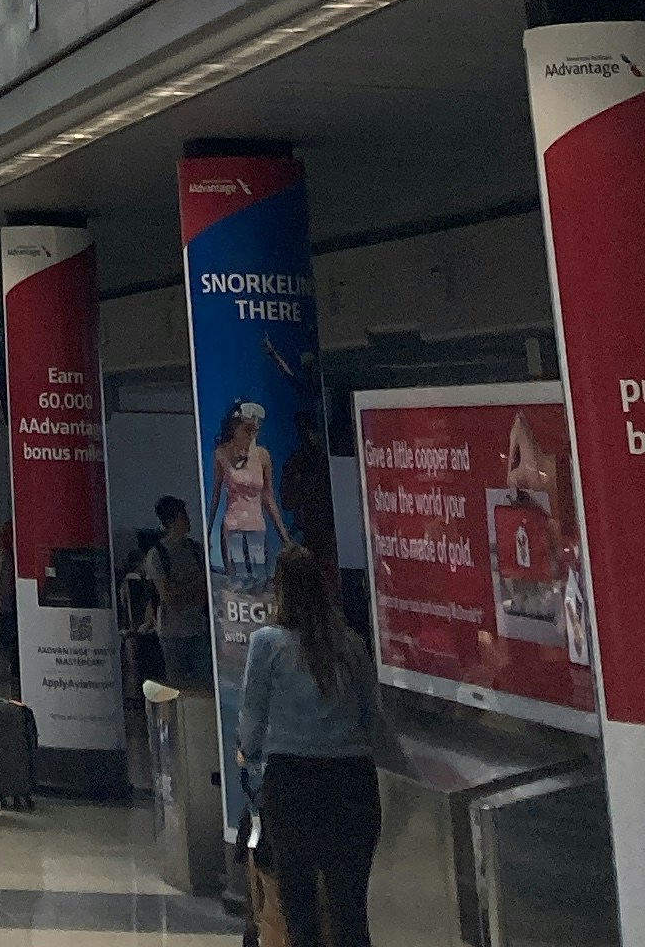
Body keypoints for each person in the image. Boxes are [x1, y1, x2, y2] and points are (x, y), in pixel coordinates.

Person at [235, 543, 393, 947]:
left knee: (300, 909)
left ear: (279, 589)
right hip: (353, 784)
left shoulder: (267, 644)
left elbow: (252, 720)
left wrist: (251, 762)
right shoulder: (351, 644)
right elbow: (371, 718)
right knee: (350, 909)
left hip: (293, 784)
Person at [211, 402, 286, 597]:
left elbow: (268, 496)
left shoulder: (262, 456)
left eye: (254, 430)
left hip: (256, 525)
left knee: (259, 578)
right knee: (237, 580)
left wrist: (284, 536)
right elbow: (216, 494)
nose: (251, 435)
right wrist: (209, 529)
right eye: (246, 430)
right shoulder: (222, 454)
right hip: (233, 524)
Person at [147, 498, 212, 687]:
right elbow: (168, 596)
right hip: (172, 633)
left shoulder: (195, 549)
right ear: (174, 519)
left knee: (204, 686)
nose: (189, 520)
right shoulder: (157, 555)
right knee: (179, 689)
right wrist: (197, 581)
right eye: (184, 516)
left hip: (198, 628)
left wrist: (183, 587)